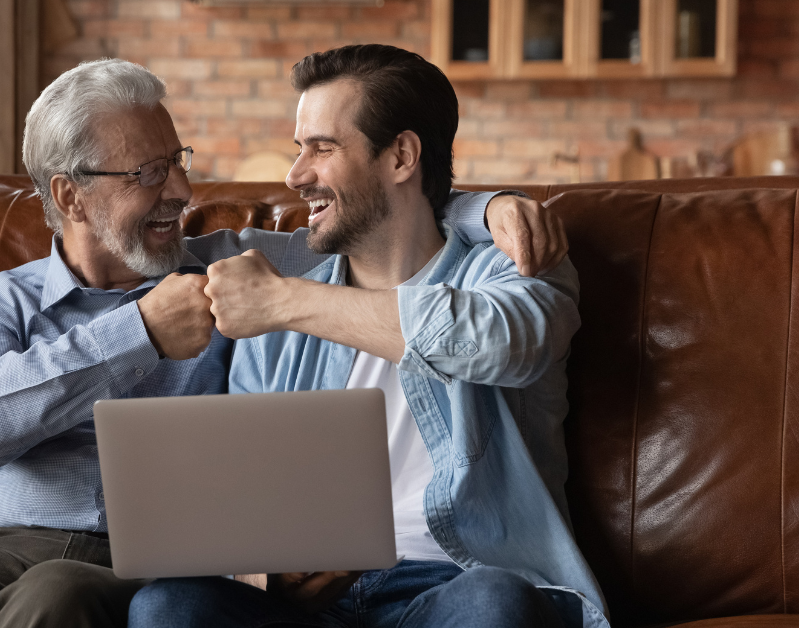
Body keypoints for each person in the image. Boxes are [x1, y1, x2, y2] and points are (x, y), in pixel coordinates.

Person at [0, 57, 568, 628]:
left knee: (69, 596)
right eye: (147, 172)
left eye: (178, 162)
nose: (179, 191)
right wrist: (138, 331)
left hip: (147, 561)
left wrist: (488, 205)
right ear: (70, 194)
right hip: (10, 543)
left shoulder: (241, 272)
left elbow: (389, 219)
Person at [129, 45, 609, 628]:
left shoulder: (516, 265)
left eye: (322, 148)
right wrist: (264, 572)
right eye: (298, 149)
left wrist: (284, 301)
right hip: (315, 607)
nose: (295, 175)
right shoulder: (275, 309)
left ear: (402, 155)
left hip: (454, 585)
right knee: (168, 606)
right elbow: (247, 502)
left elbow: (501, 343)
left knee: (492, 602)